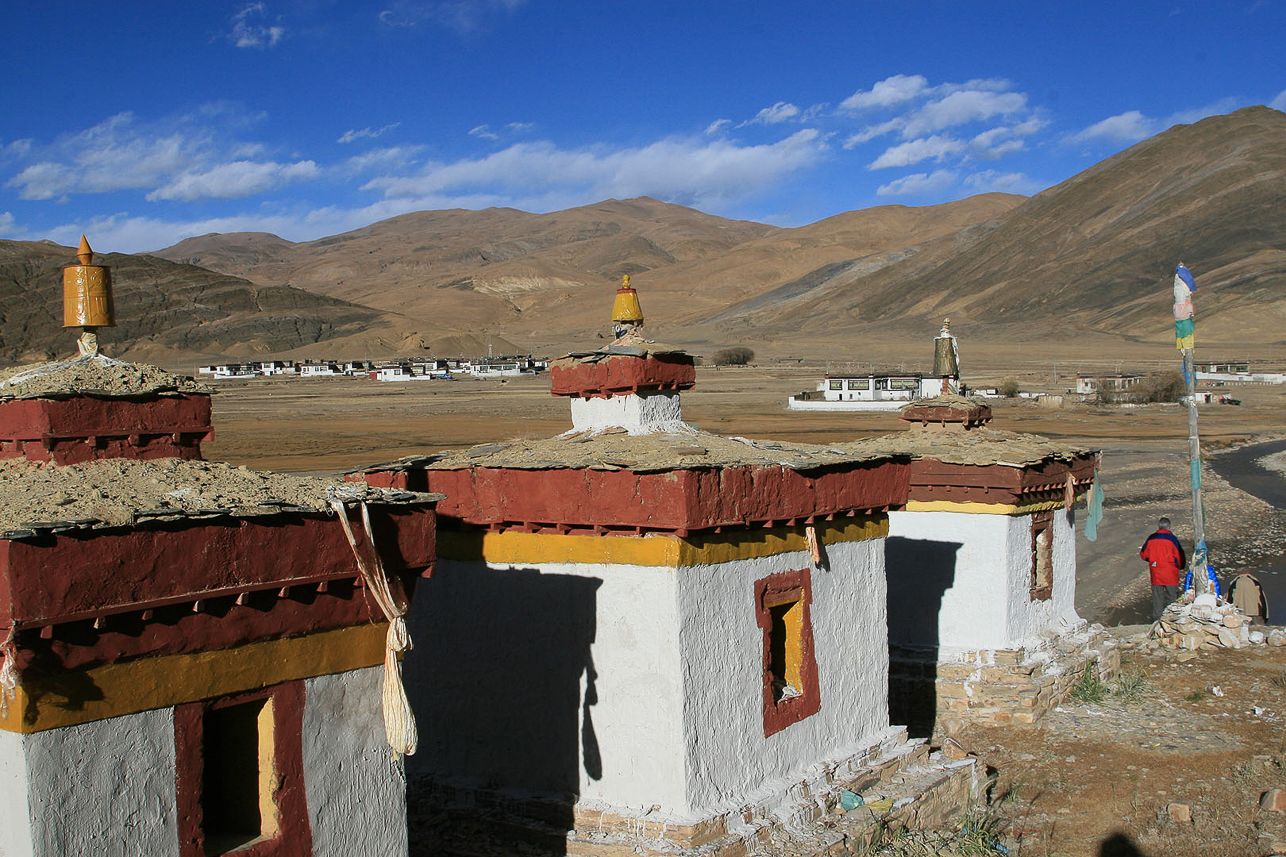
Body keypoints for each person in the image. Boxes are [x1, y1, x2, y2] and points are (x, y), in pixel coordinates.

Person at [1140, 516, 1185, 620]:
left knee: (1158, 599)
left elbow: (1143, 554)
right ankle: (1171, 620)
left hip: (1156, 573)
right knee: (1172, 599)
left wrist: (1152, 560)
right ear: (1169, 527)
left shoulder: (1151, 538)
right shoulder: (1172, 539)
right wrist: (1181, 566)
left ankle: (1157, 621)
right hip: (1170, 573)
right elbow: (1179, 556)